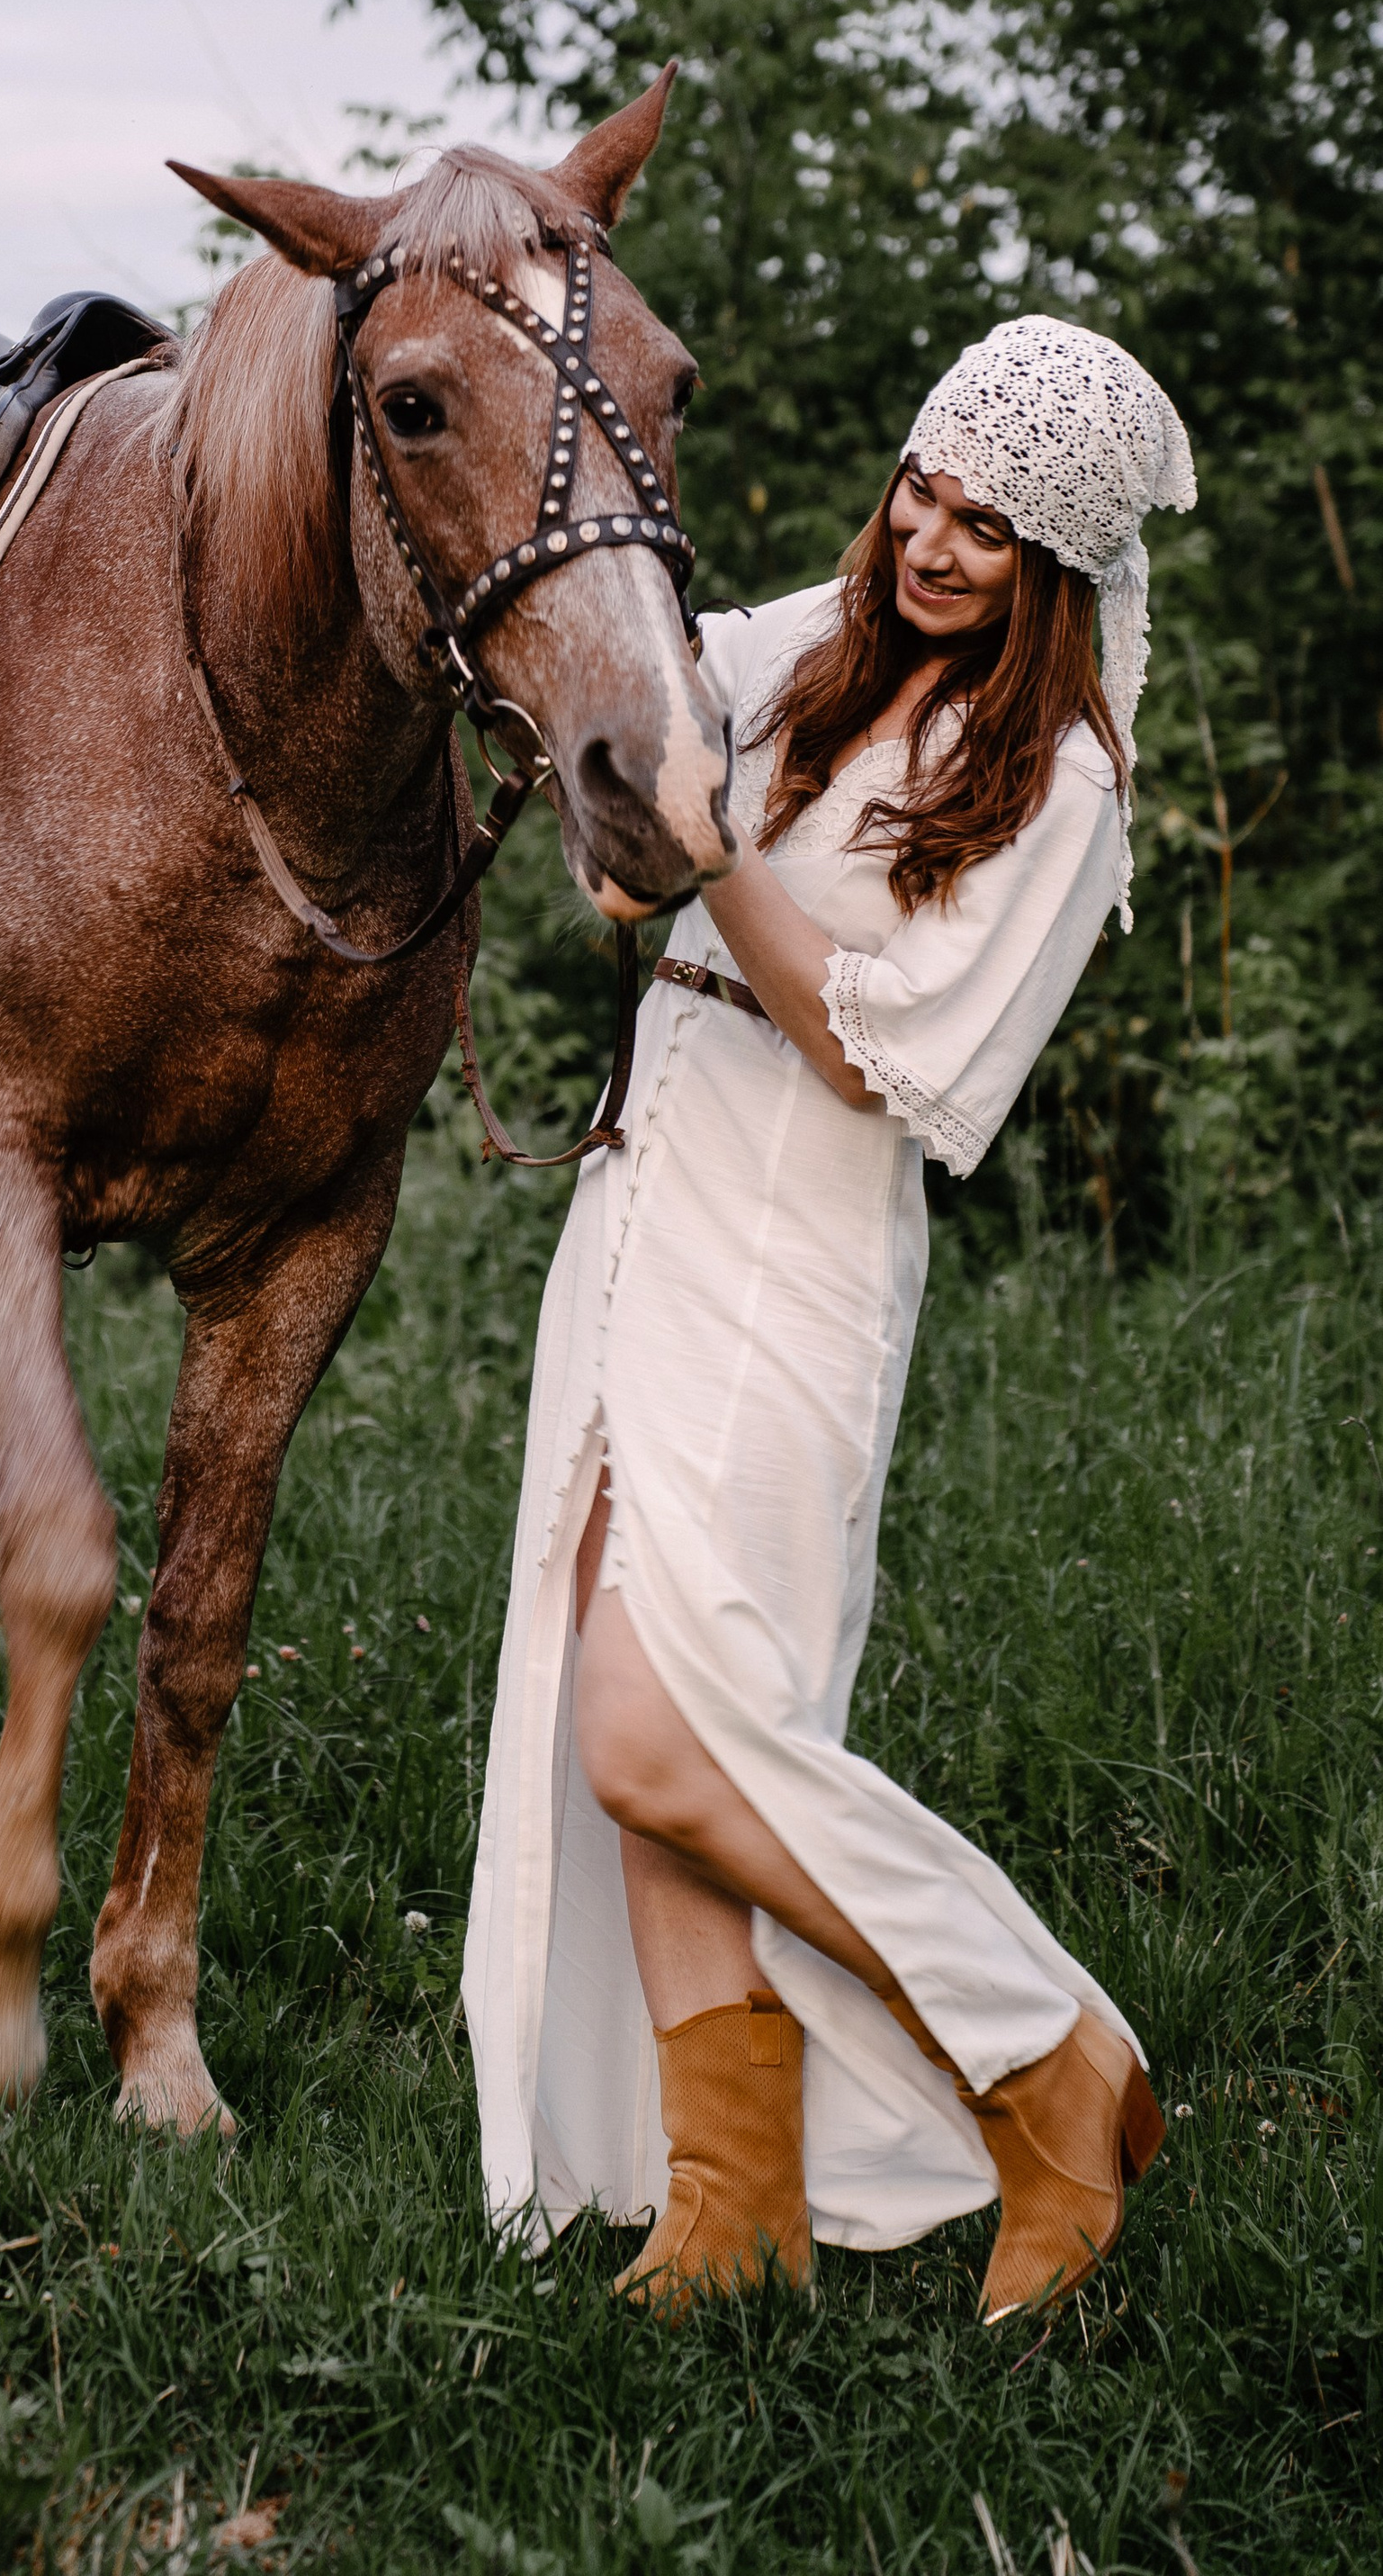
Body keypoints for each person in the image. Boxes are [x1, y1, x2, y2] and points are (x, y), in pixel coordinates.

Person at [462, 314, 1198, 2324]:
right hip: (643, 1187)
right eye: (921, 494)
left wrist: (712, 864)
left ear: (1058, 573)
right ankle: (726, 2198)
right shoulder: (822, 637)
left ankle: (1047, 2057)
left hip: (795, 1229)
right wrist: (628, 817)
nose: (933, 544)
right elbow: (631, 695)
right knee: (619, 1696)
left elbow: (887, 1068)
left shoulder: (1054, 791)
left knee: (670, 1720)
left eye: (989, 530)